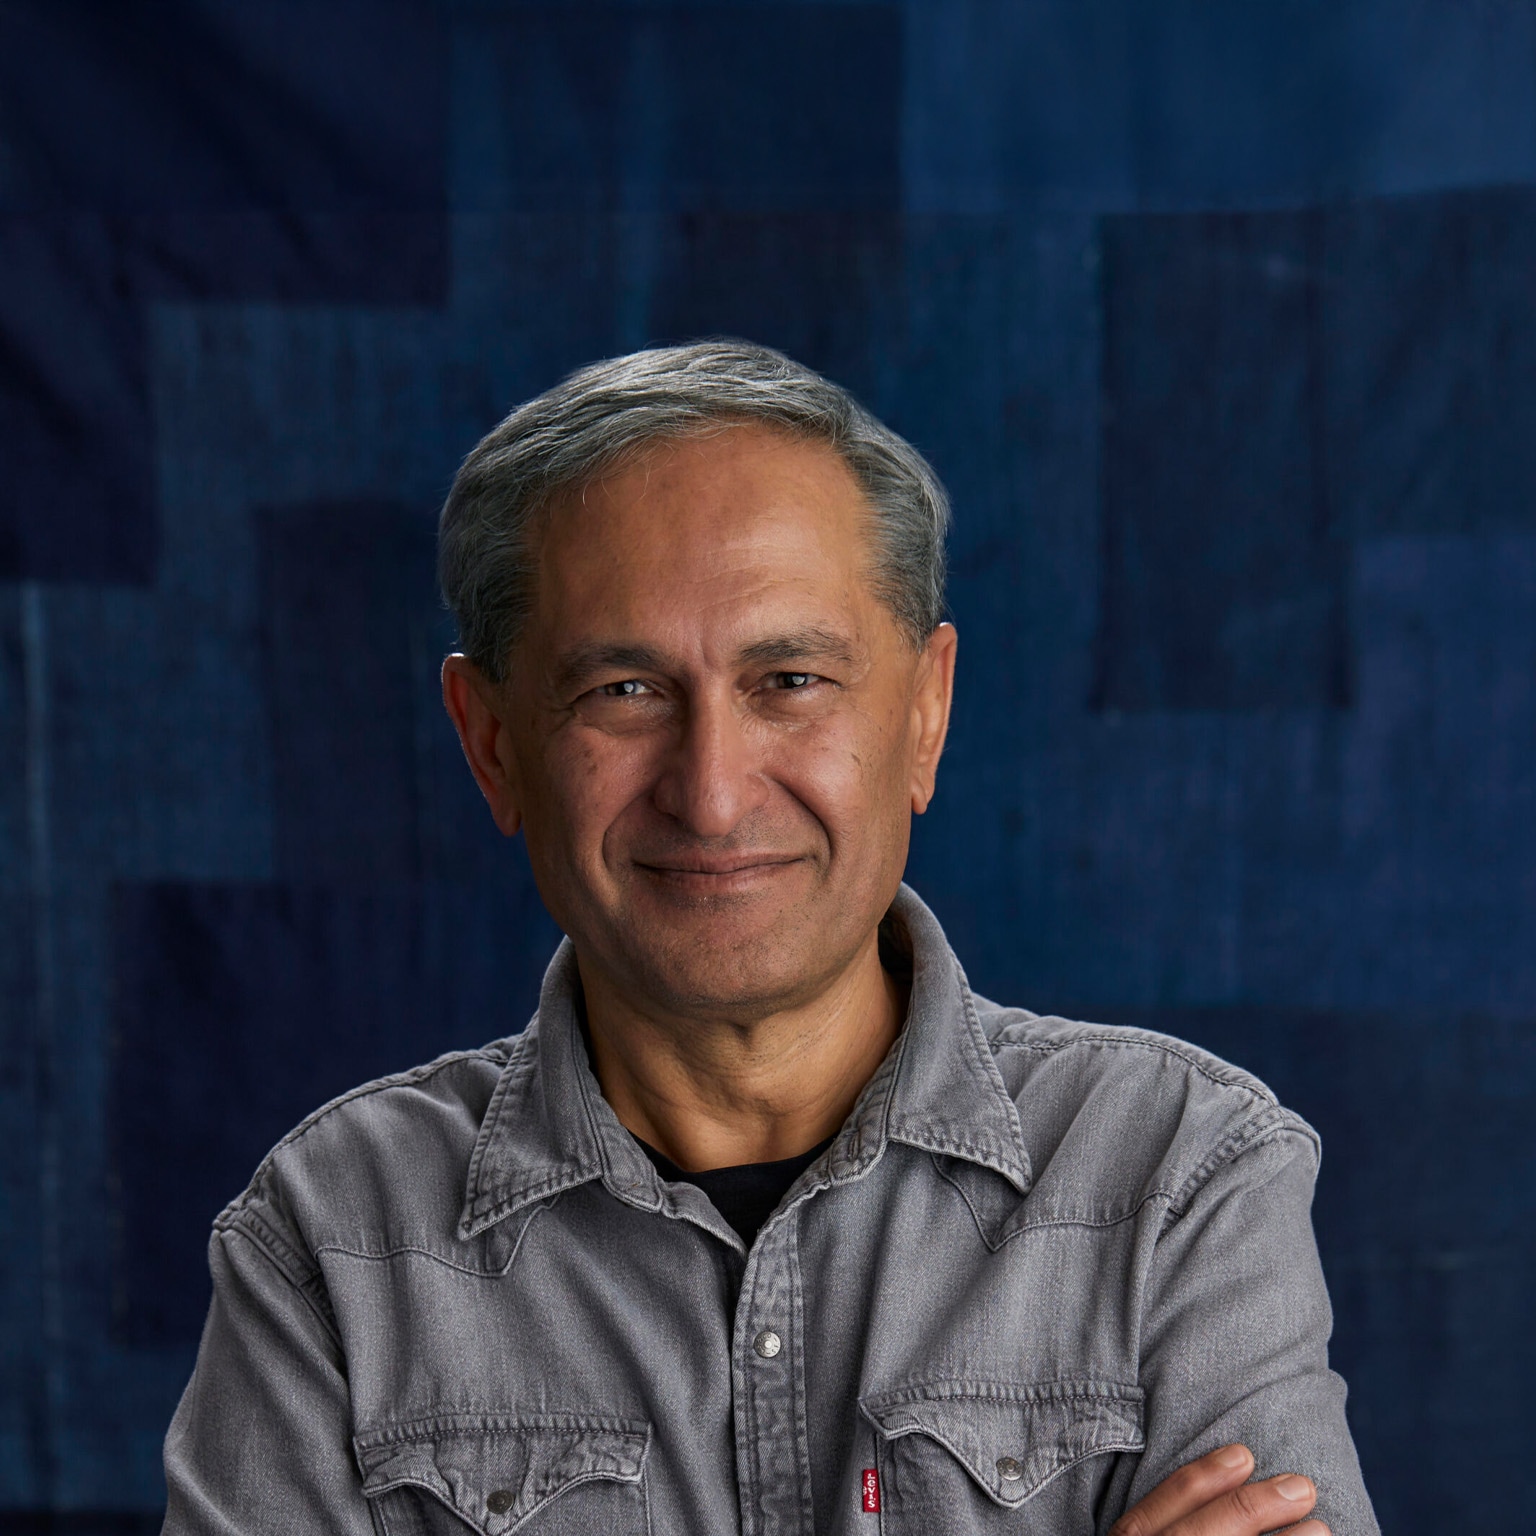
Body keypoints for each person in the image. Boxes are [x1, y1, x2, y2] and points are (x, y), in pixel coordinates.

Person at [162, 341, 1377, 1535]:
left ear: (926, 712)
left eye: (789, 679)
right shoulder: (332, 1246)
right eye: (623, 692)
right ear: (493, 743)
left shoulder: (1178, 1179)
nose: (713, 792)